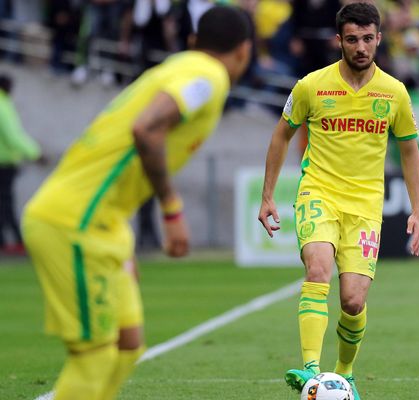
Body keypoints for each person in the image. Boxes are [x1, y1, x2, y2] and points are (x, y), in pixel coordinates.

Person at [21, 6, 251, 400]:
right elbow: (146, 128)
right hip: (75, 221)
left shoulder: (179, 65)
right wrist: (171, 209)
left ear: (194, 39)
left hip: (104, 221)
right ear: (244, 51)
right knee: (94, 359)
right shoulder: (207, 75)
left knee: (128, 345)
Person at [257, 3, 419, 399]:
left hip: (365, 205)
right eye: (353, 39)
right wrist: (267, 196)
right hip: (319, 193)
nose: (361, 47)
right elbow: (281, 135)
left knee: (352, 300)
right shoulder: (311, 86)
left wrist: (418, 210)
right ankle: (312, 370)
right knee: (318, 270)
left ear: (379, 39)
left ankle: (344, 373)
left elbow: (410, 151)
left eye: (368, 39)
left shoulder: (394, 92)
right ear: (339, 41)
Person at [0, 74, 41, 255]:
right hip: (4, 163)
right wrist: (35, 153)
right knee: (6, 202)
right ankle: (15, 240)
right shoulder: (3, 105)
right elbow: (13, 135)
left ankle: (5, 240)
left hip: (5, 162)